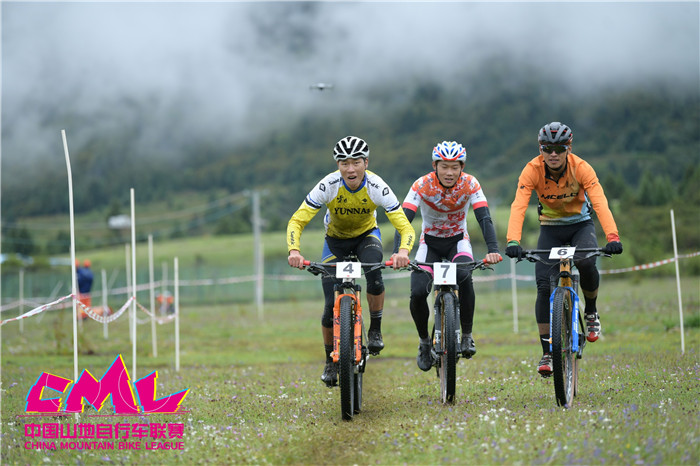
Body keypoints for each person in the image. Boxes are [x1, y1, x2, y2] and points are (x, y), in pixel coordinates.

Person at [287, 136, 415, 387]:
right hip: (335, 241)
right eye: (344, 163)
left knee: (374, 275)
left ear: (366, 163)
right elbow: (297, 221)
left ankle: (375, 329)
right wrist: (294, 251)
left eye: (356, 162)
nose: (350, 169)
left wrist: (403, 251)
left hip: (367, 237)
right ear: (338, 165)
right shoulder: (328, 185)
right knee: (329, 307)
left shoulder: (377, 186)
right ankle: (329, 361)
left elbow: (405, 227)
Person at [505, 122, 623, 377]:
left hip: (580, 225)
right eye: (547, 149)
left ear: (569, 148)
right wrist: (513, 241)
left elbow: (600, 202)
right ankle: (547, 352)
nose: (553, 154)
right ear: (540, 149)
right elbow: (519, 206)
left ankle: (590, 311)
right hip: (550, 228)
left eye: (559, 148)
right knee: (543, 286)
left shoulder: (582, 168)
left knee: (587, 262)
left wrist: (612, 236)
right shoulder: (531, 170)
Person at [394, 141, 502, 371]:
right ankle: (424, 342)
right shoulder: (421, 185)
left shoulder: (470, 183)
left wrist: (493, 249)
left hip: (458, 242)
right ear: (435, 166)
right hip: (429, 244)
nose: (450, 172)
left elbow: (484, 217)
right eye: (444, 166)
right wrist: (399, 252)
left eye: (455, 167)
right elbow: (404, 220)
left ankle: (467, 335)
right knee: (417, 292)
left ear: (462, 167)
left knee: (464, 276)